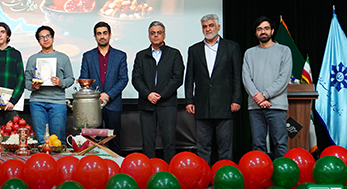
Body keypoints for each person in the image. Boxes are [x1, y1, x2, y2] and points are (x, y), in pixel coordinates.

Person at [184, 14, 242, 165]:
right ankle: (204, 177)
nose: (208, 29)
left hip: (225, 105)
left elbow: (237, 76)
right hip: (202, 106)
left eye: (211, 25)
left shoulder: (232, 47)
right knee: (203, 147)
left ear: (218, 27)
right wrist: (189, 100)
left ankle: (225, 175)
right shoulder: (194, 49)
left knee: (225, 147)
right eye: (205, 26)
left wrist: (236, 99)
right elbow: (189, 77)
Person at [132, 21, 184, 163]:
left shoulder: (174, 54)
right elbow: (136, 78)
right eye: (152, 33)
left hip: (167, 104)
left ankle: (169, 172)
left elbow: (177, 78)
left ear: (164, 35)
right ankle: (149, 172)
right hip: (146, 104)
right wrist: (148, 94)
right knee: (147, 142)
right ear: (149, 36)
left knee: (169, 141)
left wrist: (160, 94)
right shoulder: (141, 55)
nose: (156, 35)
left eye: (159, 32)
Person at [242, 16, 292, 159]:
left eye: (266, 28)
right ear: (256, 32)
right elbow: (246, 78)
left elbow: (283, 78)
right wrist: (259, 98)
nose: (263, 32)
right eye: (259, 29)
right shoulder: (249, 53)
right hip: (255, 107)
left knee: (280, 143)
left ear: (272, 31)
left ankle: (282, 172)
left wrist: (264, 95)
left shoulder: (284, 51)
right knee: (258, 144)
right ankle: (260, 173)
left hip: (277, 106)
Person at [79, 21, 128, 155]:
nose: (102, 36)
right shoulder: (88, 56)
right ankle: (95, 166)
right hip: (93, 106)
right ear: (95, 37)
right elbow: (83, 79)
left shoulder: (120, 55)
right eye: (99, 34)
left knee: (115, 141)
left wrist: (108, 94)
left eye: (105, 33)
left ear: (110, 35)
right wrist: (97, 96)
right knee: (94, 142)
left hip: (113, 104)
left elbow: (123, 79)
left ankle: (117, 166)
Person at [24, 25, 74, 143]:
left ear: (53, 38)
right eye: (42, 37)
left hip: (57, 102)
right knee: (42, 140)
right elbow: (26, 81)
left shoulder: (63, 58)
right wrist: (32, 86)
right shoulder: (32, 59)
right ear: (38, 41)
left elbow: (70, 79)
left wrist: (61, 82)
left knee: (57, 140)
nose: (45, 39)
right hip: (37, 102)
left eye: (48, 36)